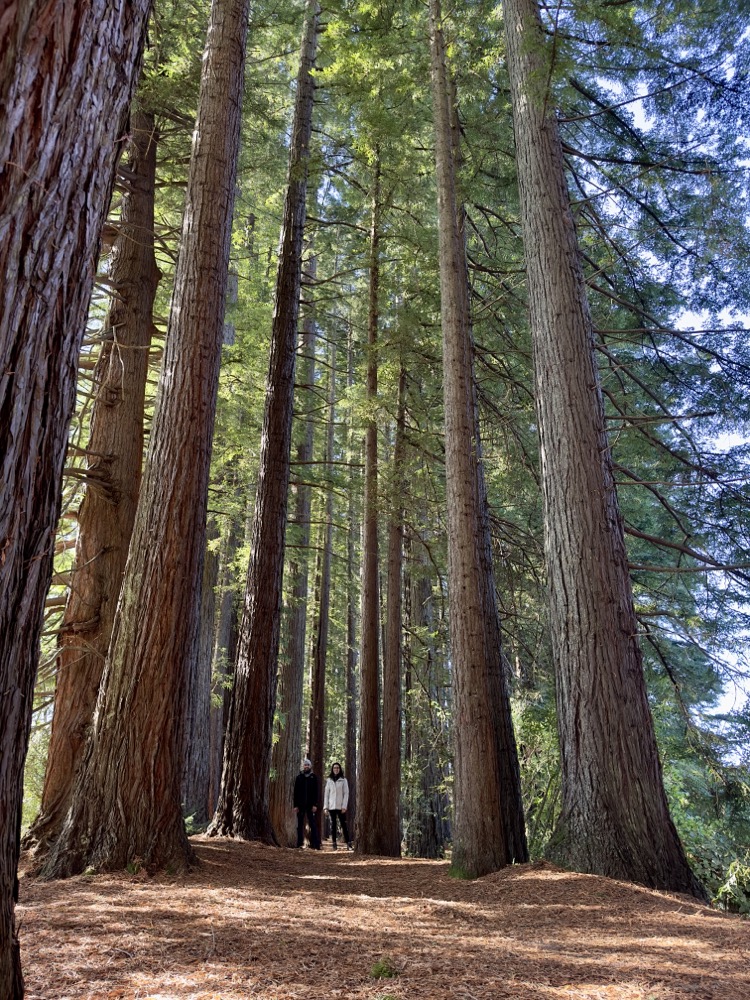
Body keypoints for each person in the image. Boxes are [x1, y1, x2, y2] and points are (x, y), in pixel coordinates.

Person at [323, 761, 352, 850]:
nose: (336, 769)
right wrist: (325, 807)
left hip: (340, 806)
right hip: (331, 806)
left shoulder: (343, 780)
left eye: (338, 768)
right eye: (334, 768)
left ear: (340, 769)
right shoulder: (329, 780)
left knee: (343, 825)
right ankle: (334, 844)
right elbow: (326, 794)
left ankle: (348, 843)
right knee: (333, 825)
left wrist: (344, 806)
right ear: (332, 769)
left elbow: (346, 793)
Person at [293, 757, 320, 849]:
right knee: (299, 825)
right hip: (300, 805)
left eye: (308, 765)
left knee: (312, 824)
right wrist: (295, 805)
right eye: (305, 765)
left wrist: (315, 804)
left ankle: (316, 844)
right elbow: (295, 793)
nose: (306, 766)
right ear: (303, 766)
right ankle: (299, 844)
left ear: (310, 766)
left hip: (310, 805)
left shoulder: (313, 777)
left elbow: (316, 792)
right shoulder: (299, 777)